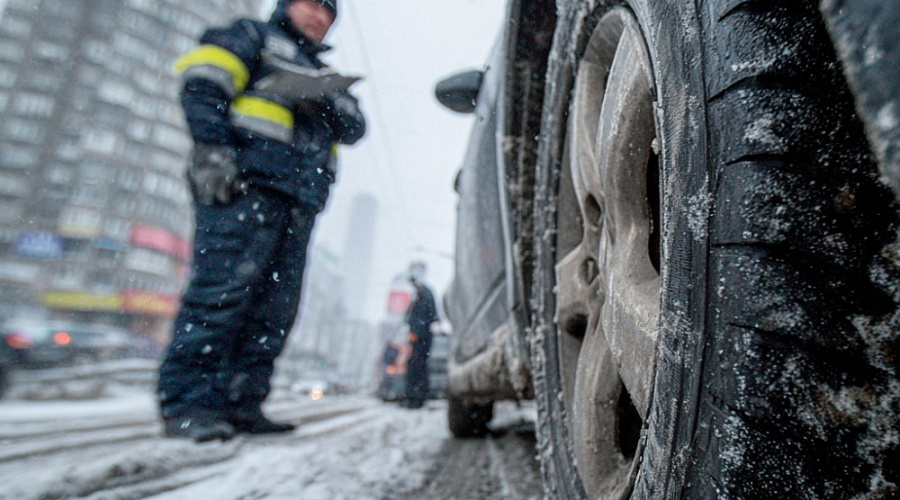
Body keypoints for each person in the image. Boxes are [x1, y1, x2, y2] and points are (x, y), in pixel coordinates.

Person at [156, 0, 365, 442]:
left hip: (299, 201)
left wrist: (322, 97)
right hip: (244, 189)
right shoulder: (251, 38)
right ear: (287, 6)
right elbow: (203, 83)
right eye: (311, 6)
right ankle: (189, 406)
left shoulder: (326, 78)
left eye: (329, 15)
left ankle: (242, 403)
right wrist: (212, 150)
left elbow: (354, 127)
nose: (320, 19)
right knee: (221, 294)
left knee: (273, 309)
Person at [402, 262, 440, 409]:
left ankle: (415, 398)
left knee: (416, 367)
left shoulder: (424, 294)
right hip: (421, 337)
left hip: (420, 338)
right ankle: (415, 397)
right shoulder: (423, 294)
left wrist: (415, 332)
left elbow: (423, 317)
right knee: (417, 366)